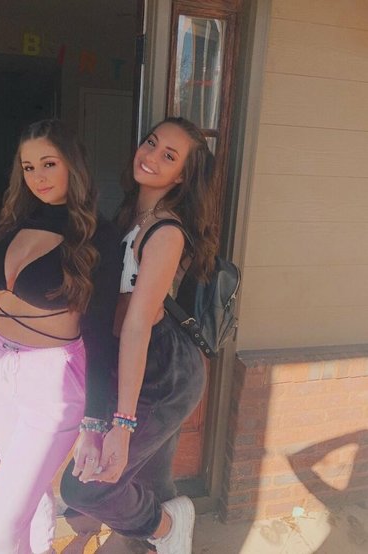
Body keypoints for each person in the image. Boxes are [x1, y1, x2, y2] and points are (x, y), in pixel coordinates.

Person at [61, 117, 219, 553]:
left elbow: (136, 325)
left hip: (162, 371)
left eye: (169, 156)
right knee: (148, 481)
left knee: (86, 487)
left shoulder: (165, 232)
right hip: (139, 361)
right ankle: (156, 538)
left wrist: (122, 423)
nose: (151, 156)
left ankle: (167, 529)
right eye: (151, 143)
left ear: (182, 175)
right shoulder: (129, 216)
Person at [0, 119, 120, 554]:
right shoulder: (16, 221)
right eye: (29, 167)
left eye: (49, 163)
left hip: (51, 384)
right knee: (28, 492)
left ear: (73, 165)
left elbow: (101, 332)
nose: (38, 176)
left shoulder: (98, 236)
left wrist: (95, 422)